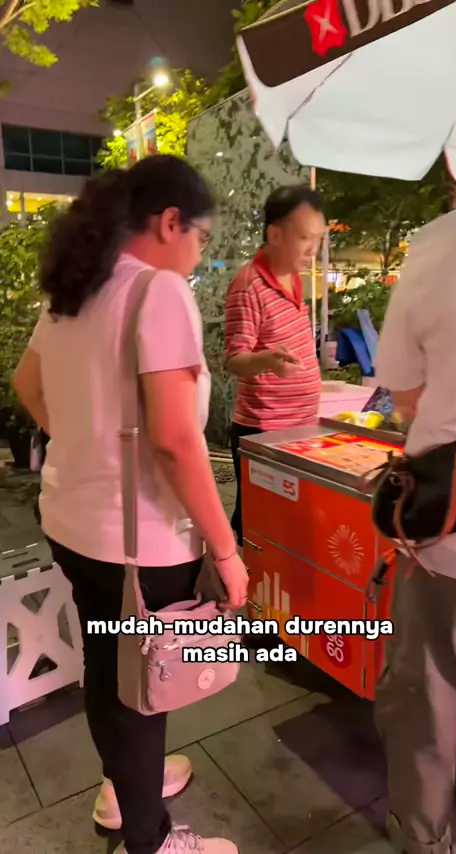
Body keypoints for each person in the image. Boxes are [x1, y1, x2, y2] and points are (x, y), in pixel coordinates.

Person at [12, 154, 248, 854]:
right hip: (141, 544)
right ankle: (151, 839)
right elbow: (176, 441)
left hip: (72, 523)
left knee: (109, 662)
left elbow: (28, 384)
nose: (198, 255)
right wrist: (227, 551)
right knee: (147, 682)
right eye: (200, 238)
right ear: (170, 222)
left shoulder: (77, 290)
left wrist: (85, 448)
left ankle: (125, 789)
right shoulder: (158, 293)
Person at [374, 198, 456, 854]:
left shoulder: (443, 240)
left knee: (430, 693)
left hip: (451, 532)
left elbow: (403, 394)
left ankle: (424, 838)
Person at [225, 185, 325, 545]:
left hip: (300, 428)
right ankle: (243, 577)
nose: (313, 250)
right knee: (262, 533)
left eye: (318, 239)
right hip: (265, 432)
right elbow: (235, 360)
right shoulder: (248, 286)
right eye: (305, 238)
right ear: (275, 234)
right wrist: (266, 361)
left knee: (291, 533)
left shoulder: (294, 277)